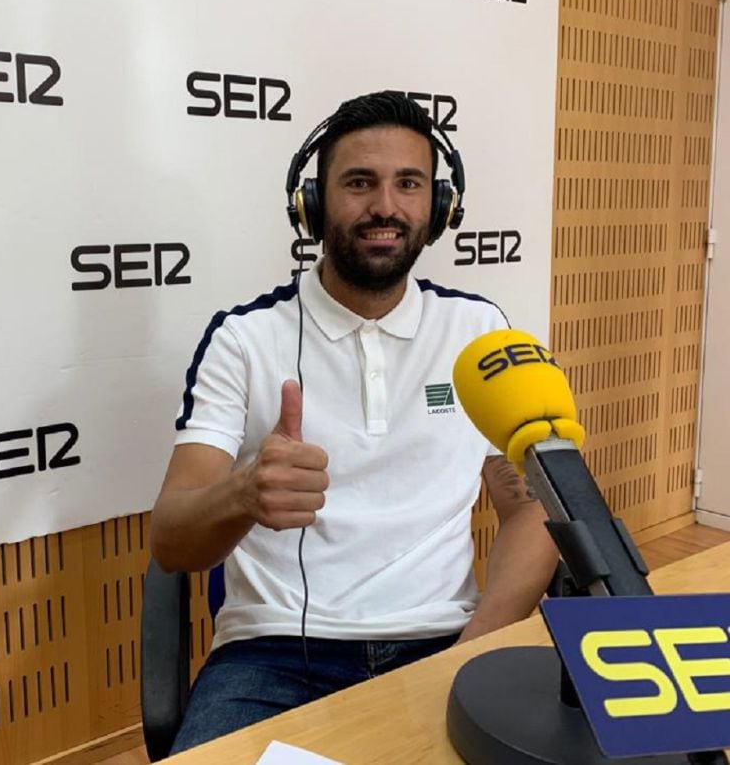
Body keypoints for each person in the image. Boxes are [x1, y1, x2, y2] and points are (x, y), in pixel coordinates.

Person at [149, 90, 560, 752]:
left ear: (441, 206)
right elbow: (171, 539)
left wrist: (479, 642)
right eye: (359, 183)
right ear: (312, 205)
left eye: (409, 184)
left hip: (444, 638)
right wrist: (244, 492)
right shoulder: (244, 339)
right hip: (273, 656)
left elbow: (535, 507)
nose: (386, 208)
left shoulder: (480, 332)